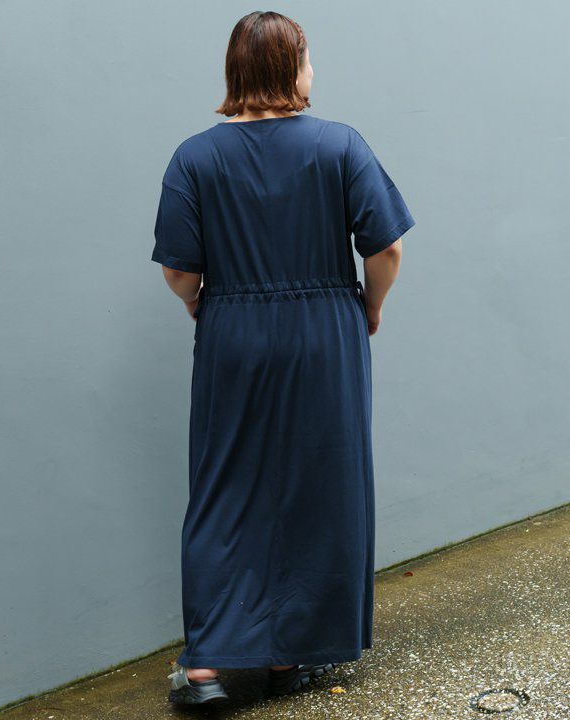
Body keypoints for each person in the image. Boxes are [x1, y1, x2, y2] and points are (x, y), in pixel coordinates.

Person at [151, 10, 416, 705]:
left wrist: (200, 301)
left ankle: (206, 667)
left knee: (224, 484)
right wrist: (370, 306)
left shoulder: (194, 158)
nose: (312, 71)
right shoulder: (339, 145)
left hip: (234, 328)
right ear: (292, 69)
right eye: (307, 59)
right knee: (318, 481)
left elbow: (179, 270)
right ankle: (288, 657)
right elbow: (386, 247)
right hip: (326, 328)